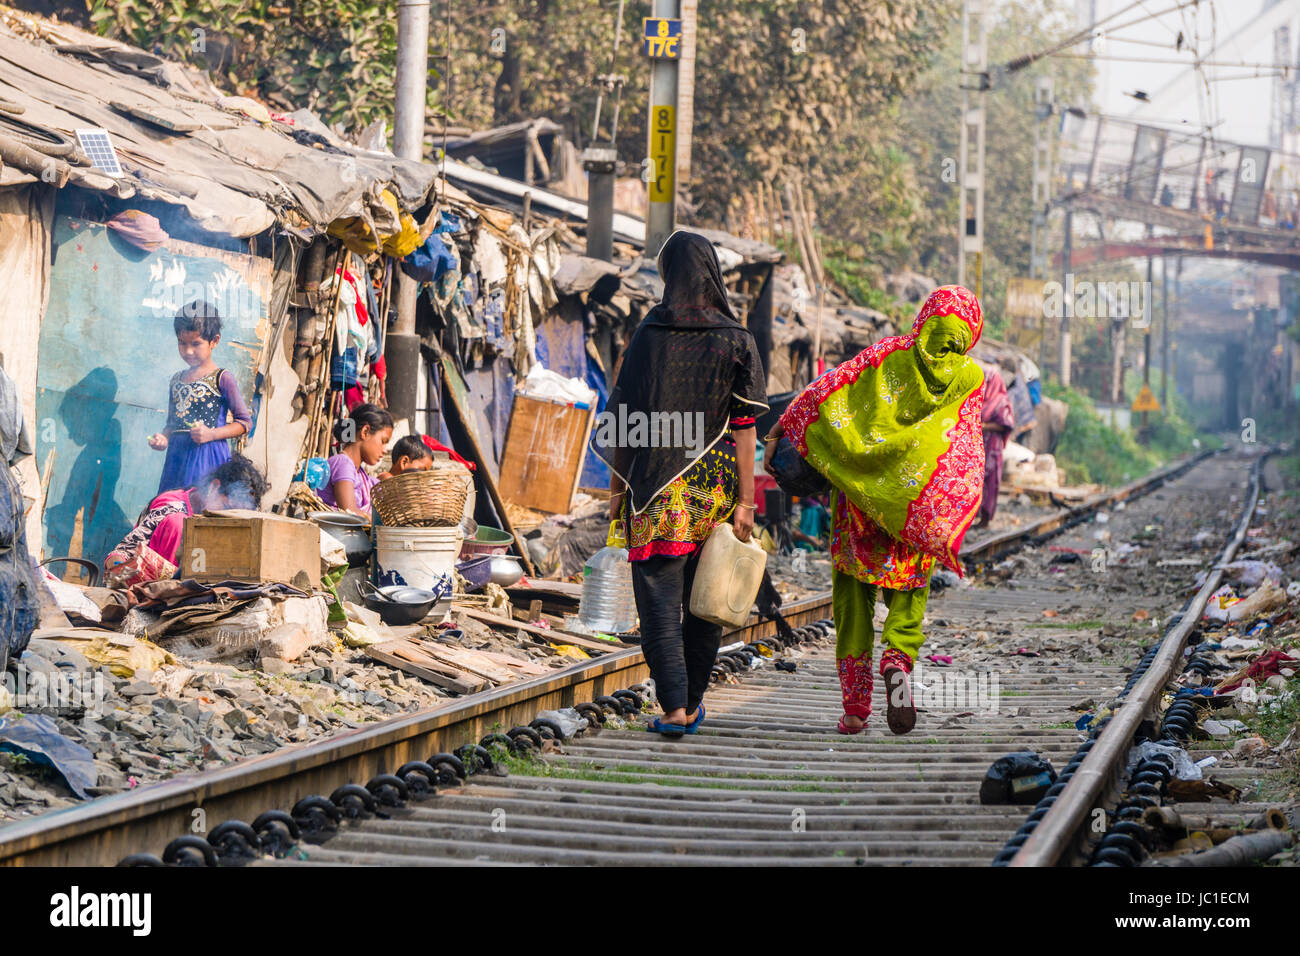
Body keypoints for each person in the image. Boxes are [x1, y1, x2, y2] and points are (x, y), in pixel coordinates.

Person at [765, 286, 986, 736]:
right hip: (911, 510)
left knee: (852, 603)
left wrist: (780, 429)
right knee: (908, 598)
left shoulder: (886, 355)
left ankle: (854, 709)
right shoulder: (970, 377)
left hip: (858, 503)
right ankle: (898, 661)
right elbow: (963, 451)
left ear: (925, 317)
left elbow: (824, 394)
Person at [598, 230, 768, 738]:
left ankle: (675, 707)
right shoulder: (737, 340)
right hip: (712, 494)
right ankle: (691, 704)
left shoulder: (648, 335)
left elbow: (624, 419)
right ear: (712, 272)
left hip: (653, 491)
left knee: (657, 602)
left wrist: (615, 492)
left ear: (669, 275)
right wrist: (746, 502)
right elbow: (744, 428)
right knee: (706, 601)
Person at [149, 301, 253, 495]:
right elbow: (172, 423)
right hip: (176, 460)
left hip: (207, 459)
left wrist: (211, 434)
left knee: (198, 513)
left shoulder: (223, 378)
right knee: (170, 508)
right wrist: (164, 438)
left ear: (214, 341)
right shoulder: (176, 381)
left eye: (196, 344)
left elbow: (245, 423)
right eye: (182, 343)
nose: (188, 351)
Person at [105, 454, 269, 576]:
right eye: (227, 507)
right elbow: (119, 555)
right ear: (214, 487)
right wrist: (123, 572)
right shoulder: (173, 508)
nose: (228, 517)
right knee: (180, 525)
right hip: (149, 592)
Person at [321, 403, 393, 517]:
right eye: (383, 441)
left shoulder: (362, 476)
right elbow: (350, 513)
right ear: (365, 432)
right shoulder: (343, 463)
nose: (385, 450)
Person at [976, 360, 1015, 528]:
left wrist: (984, 426)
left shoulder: (1001, 400)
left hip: (992, 447)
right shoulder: (979, 399)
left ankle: (985, 519)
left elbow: (1006, 423)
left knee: (990, 482)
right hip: (979, 445)